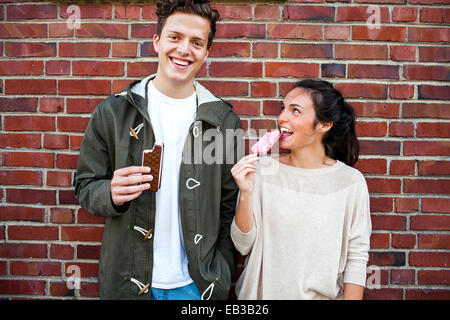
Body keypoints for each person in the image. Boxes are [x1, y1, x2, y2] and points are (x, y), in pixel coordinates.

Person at [75, 0, 242, 300]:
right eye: (175, 37)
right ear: (157, 41)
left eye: (196, 42)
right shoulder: (114, 112)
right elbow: (85, 186)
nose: (184, 49)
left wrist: (221, 269)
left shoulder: (222, 122)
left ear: (206, 52)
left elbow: (229, 205)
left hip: (196, 286)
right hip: (129, 281)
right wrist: (110, 193)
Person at [230, 79, 372, 300]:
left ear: (324, 124)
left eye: (295, 111)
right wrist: (246, 194)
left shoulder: (350, 182)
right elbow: (242, 245)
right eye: (283, 108)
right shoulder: (261, 171)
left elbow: (356, 257)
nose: (282, 118)